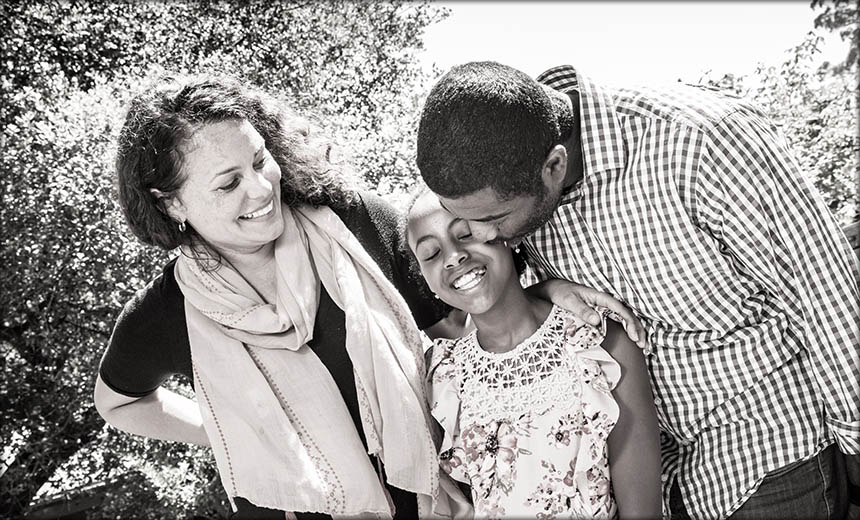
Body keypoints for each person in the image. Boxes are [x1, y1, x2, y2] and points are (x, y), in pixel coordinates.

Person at [93, 73, 645, 519]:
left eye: (259, 161)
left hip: (432, 503)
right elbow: (118, 403)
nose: (261, 189)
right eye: (227, 183)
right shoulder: (167, 312)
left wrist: (543, 286)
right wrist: (231, 429)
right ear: (171, 206)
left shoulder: (351, 224)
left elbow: (464, 282)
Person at [416, 61, 860, 519]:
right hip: (658, 483)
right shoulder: (505, 172)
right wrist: (547, 287)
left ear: (553, 166)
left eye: (491, 222)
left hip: (768, 454)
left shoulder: (702, 141)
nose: (484, 236)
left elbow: (826, 294)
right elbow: (498, 290)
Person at [406, 188, 662, 519]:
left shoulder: (599, 346)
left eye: (466, 233)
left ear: (504, 234)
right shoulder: (442, 377)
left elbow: (643, 512)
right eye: (430, 253)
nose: (453, 256)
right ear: (425, 279)